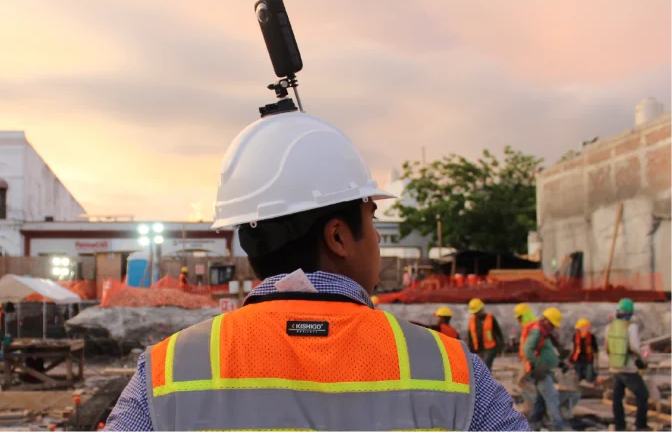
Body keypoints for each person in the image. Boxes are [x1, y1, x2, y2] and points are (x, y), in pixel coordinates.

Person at [105, 112, 528, 431]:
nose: (378, 240)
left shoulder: (169, 372)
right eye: (372, 218)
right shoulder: (447, 369)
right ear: (339, 237)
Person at [524, 307, 573, 431]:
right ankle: (558, 426)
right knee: (552, 398)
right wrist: (538, 364)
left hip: (545, 370)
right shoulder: (537, 332)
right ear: (546, 321)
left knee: (540, 402)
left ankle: (533, 426)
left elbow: (548, 352)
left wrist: (560, 363)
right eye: (552, 324)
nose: (553, 327)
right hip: (540, 371)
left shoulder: (544, 333)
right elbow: (527, 350)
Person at [606, 298, 649, 431]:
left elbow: (607, 348)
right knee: (643, 395)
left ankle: (620, 425)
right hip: (628, 368)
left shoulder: (610, 326)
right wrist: (642, 360)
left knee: (617, 397)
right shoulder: (631, 326)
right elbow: (634, 347)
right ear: (631, 312)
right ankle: (640, 425)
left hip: (614, 367)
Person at [467, 298, 504, 369]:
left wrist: (500, 348)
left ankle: (486, 379)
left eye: (476, 312)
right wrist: (469, 350)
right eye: (474, 312)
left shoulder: (490, 318)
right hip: (477, 349)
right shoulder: (472, 320)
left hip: (490, 348)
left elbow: (499, 334)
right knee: (479, 369)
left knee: (486, 367)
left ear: (481, 309)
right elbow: (470, 337)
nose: (475, 314)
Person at [570, 318, 597, 383]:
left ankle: (590, 386)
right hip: (578, 359)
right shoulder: (575, 336)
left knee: (589, 377)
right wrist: (571, 359)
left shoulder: (591, 336)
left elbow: (595, 348)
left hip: (588, 359)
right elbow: (574, 348)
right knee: (579, 376)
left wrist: (596, 357)